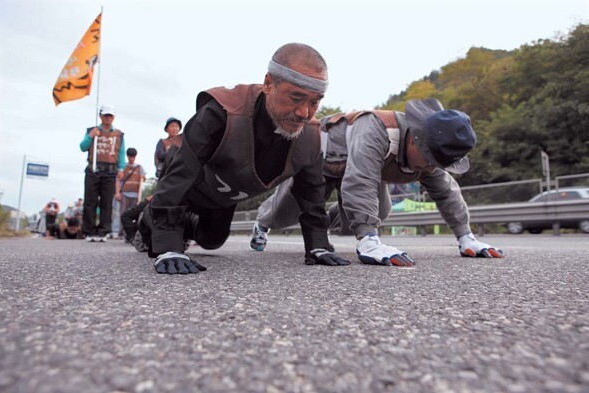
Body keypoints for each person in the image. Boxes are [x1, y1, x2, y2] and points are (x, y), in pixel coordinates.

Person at [141, 42, 350, 274]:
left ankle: (180, 226)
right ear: (269, 84)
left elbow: (311, 194)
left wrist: (318, 246)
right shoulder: (222, 111)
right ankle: (149, 216)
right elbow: (181, 172)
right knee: (160, 228)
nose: (304, 113)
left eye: (314, 102)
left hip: (224, 198)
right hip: (191, 187)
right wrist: (169, 246)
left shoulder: (310, 136)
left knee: (213, 241)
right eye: (295, 97)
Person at [250, 98, 505, 266]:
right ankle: (262, 224)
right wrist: (369, 240)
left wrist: (466, 237)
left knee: (381, 212)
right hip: (325, 158)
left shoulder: (431, 157)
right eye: (429, 160)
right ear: (415, 139)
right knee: (284, 213)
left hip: (361, 171)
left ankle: (320, 223)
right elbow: (360, 180)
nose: (430, 167)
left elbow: (447, 192)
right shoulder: (377, 129)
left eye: (438, 163)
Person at [80, 104, 126, 242]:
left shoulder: (119, 134)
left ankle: (103, 231)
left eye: (110, 116)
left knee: (106, 203)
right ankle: (89, 231)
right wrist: (90, 137)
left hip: (110, 170)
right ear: (100, 116)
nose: (108, 118)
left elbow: (121, 152)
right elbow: (82, 147)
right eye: (105, 115)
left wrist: (121, 168)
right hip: (93, 168)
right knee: (90, 201)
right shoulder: (92, 130)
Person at [115, 147, 146, 224]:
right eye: (130, 156)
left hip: (135, 195)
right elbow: (118, 180)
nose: (131, 159)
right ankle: (121, 232)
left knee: (133, 215)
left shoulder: (140, 168)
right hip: (124, 194)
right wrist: (117, 193)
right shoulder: (123, 167)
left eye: (133, 157)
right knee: (122, 213)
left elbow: (142, 180)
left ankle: (131, 232)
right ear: (127, 156)